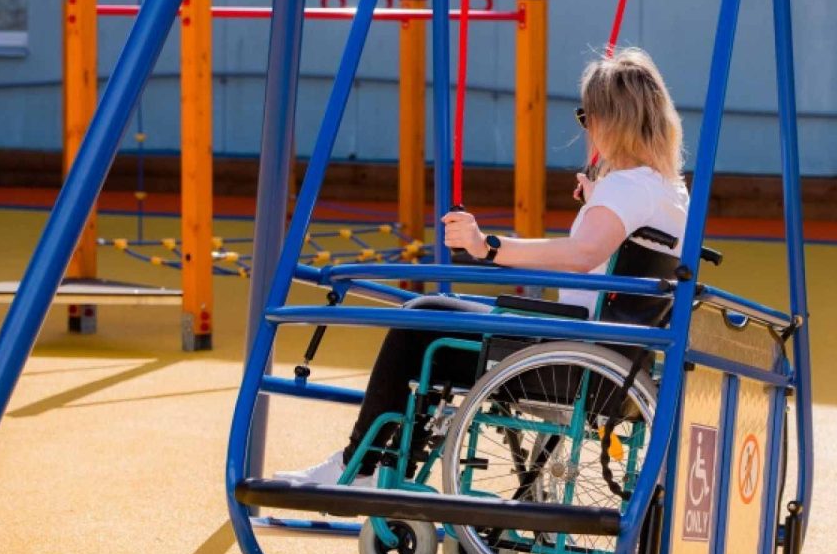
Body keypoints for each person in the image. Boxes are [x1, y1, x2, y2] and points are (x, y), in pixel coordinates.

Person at [276, 47, 689, 485]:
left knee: (421, 317)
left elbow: (582, 254)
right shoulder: (669, 192)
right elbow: (609, 252)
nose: (586, 129)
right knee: (437, 319)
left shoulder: (624, 189)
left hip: (570, 355)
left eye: (587, 117)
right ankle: (385, 464)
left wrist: (488, 247)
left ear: (609, 120)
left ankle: (361, 463)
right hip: (611, 361)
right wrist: (597, 204)